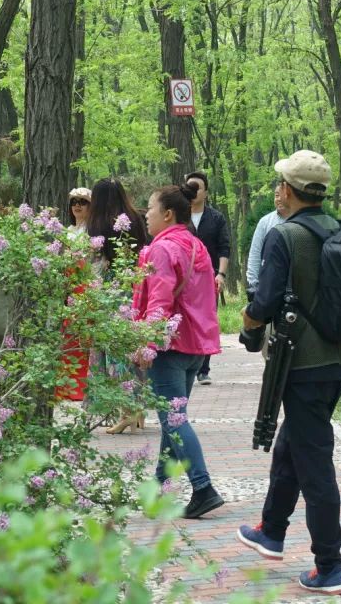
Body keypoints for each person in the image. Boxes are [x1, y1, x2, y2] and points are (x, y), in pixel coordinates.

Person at [235, 150, 341, 595]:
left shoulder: (284, 236)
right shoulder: (340, 230)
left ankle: (330, 566)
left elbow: (264, 303)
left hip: (300, 365)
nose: (276, 193)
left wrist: (247, 320)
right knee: (292, 443)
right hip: (338, 361)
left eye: (278, 185)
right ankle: (272, 530)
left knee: (315, 463)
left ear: (288, 189)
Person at [132, 183, 224, 519]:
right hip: (196, 346)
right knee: (173, 422)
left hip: (169, 348)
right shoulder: (197, 246)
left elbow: (159, 300)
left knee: (174, 420)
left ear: (168, 214)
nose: (146, 214)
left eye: (151, 208)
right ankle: (158, 491)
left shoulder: (161, 249)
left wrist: (148, 343)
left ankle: (203, 488)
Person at [86, 179, 149, 433]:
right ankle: (138, 409)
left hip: (108, 293)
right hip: (133, 289)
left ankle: (126, 411)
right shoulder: (136, 218)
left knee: (113, 351)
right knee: (131, 348)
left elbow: (94, 263)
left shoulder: (97, 223)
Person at [184, 171, 229, 385]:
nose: (193, 192)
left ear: (206, 192)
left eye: (197, 188)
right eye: (189, 187)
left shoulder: (216, 218)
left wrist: (221, 274)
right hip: (183, 279)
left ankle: (203, 369)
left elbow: (224, 248)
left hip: (208, 278)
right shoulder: (178, 217)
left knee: (206, 320)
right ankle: (186, 366)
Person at [246, 184, 291, 301]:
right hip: (268, 285)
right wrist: (253, 283)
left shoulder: (300, 220)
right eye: (276, 195)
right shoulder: (265, 222)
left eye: (283, 195)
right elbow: (255, 252)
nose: (279, 199)